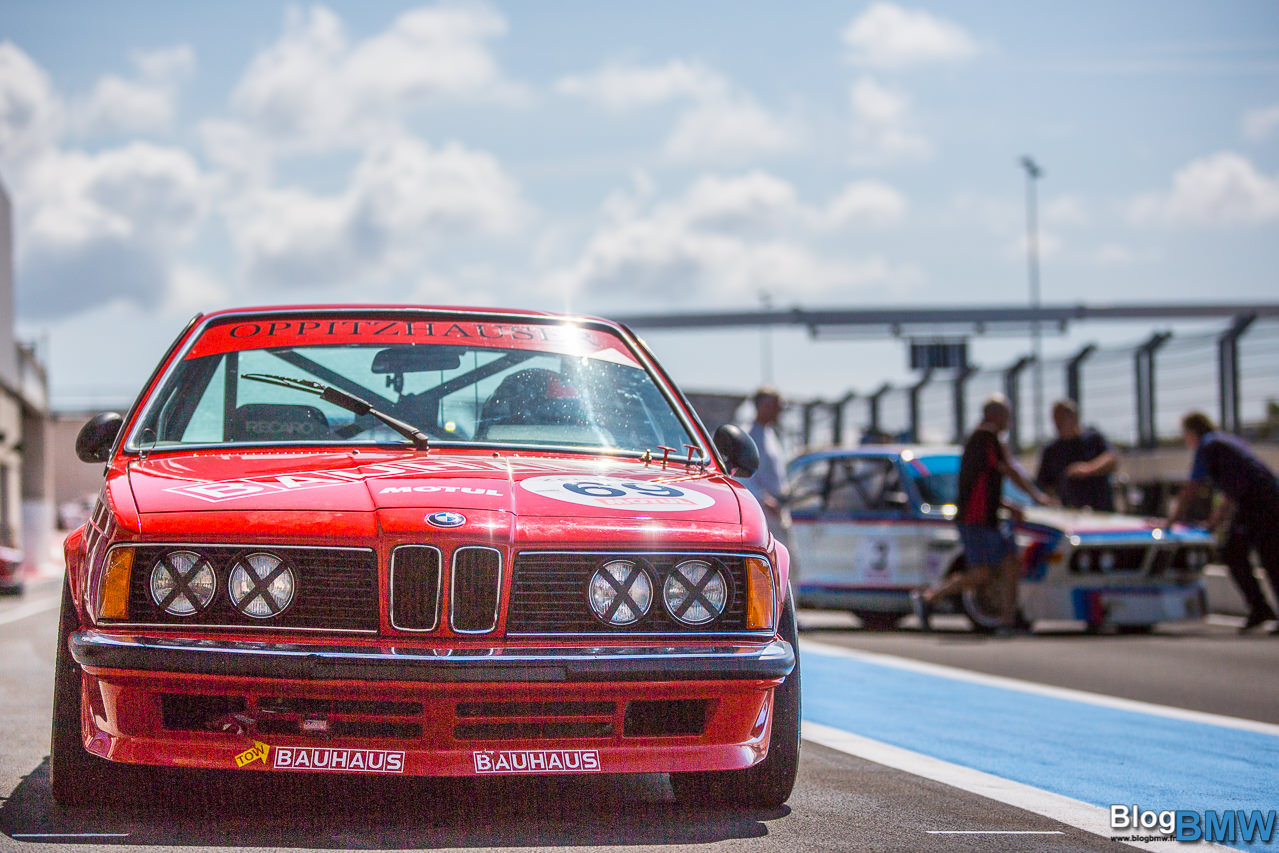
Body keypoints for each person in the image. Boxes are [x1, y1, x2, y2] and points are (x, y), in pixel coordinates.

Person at [911, 395, 1049, 633]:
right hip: (976, 521)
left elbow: (984, 485)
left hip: (985, 518)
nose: (1009, 421)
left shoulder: (980, 440)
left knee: (1009, 563)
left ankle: (1008, 620)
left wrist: (1006, 506)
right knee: (982, 572)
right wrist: (1037, 496)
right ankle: (930, 597)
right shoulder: (986, 437)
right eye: (1006, 415)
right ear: (993, 415)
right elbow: (1008, 471)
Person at [1165, 411, 1279, 634]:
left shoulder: (1208, 446)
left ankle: (1260, 608)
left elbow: (1192, 488)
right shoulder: (1223, 441)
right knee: (1257, 555)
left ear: (1192, 432)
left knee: (1248, 554)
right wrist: (1213, 522)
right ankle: (1260, 608)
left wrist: (1170, 522)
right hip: (1263, 499)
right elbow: (1230, 493)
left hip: (1258, 502)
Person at [1035, 399, 1118, 511]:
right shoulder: (1051, 450)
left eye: (1063, 418)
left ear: (1075, 417)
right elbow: (1045, 485)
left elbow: (1111, 459)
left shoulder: (1093, 439)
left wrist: (1088, 469)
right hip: (1070, 514)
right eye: (1056, 418)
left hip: (1100, 509)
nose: (1058, 423)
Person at [745, 388, 791, 547]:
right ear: (763, 406)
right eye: (775, 406)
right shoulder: (750, 436)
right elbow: (743, 475)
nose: (779, 411)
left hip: (778, 508)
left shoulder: (771, 433)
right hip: (766, 509)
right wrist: (764, 500)